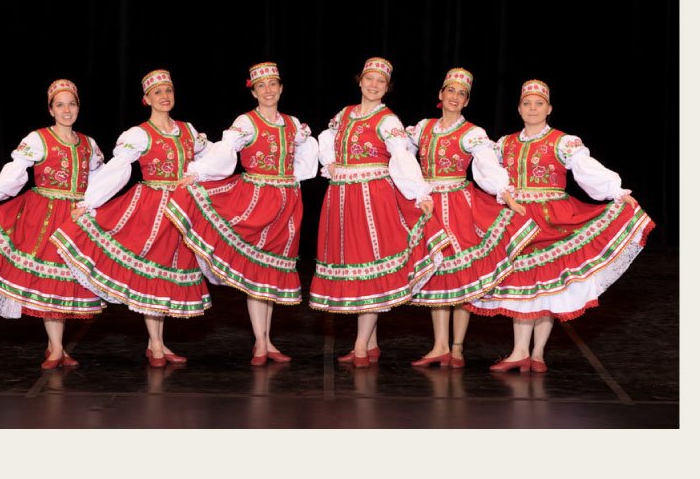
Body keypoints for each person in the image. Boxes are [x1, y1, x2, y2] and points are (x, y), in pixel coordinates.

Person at [467, 79, 655, 372]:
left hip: (553, 216)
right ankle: (520, 351)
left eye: (538, 103)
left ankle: (537, 353)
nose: (532, 108)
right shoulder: (504, 144)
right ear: (519, 109)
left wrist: (617, 192)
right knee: (522, 281)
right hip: (518, 217)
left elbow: (587, 171)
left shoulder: (563, 142)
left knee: (548, 285)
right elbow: (486, 169)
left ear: (549, 108)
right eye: (527, 103)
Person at [51, 69, 211, 367]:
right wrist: (90, 201)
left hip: (183, 210)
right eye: (157, 92)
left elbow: (212, 158)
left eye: (168, 90)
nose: (164, 96)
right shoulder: (139, 134)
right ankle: (157, 346)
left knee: (168, 273)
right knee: (153, 273)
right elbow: (118, 169)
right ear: (146, 99)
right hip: (153, 209)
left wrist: (204, 174)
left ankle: (156, 343)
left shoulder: (188, 130)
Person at [166, 62, 319, 365]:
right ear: (254, 91)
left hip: (288, 202)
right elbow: (225, 150)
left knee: (270, 273)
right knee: (256, 273)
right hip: (257, 199)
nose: (268, 90)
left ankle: (267, 340)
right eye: (261, 86)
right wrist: (199, 172)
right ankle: (260, 342)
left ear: (281, 88)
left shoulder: (293, 124)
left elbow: (306, 150)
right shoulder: (246, 122)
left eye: (273, 84)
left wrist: (297, 175)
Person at [0, 79, 106, 370]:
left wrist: (94, 207)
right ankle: (57, 348)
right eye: (60, 105)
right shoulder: (39, 139)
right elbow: (16, 171)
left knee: (64, 283)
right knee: (50, 280)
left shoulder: (89, 144)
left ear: (78, 107)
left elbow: (99, 180)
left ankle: (55, 346)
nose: (66, 110)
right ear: (51, 109)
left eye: (71, 104)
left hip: (75, 217)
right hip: (45, 215)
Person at [310, 57, 447, 368]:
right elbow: (327, 138)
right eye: (369, 79)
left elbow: (401, 157)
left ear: (387, 88)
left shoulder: (388, 121)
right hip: (342, 197)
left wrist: (419, 193)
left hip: (372, 197)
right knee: (356, 266)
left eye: (380, 82)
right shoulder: (344, 114)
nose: (373, 85)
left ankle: (360, 345)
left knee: (370, 268)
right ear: (360, 81)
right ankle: (370, 344)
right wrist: (330, 162)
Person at [406, 68, 539, 368]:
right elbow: (400, 156)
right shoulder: (422, 128)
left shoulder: (472, 133)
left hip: (459, 205)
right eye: (450, 91)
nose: (455, 97)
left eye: (461, 94)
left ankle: (456, 348)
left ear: (466, 101)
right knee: (438, 273)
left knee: (462, 275)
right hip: (429, 205)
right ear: (441, 94)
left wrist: (505, 193)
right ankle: (439, 345)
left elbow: (487, 166)